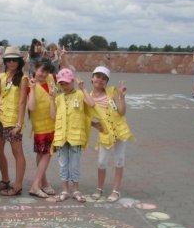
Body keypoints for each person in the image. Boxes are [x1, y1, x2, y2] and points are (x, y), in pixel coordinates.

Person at [49, 68, 95, 202]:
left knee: (74, 165)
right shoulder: (58, 98)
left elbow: (92, 104)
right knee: (63, 164)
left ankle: (76, 190)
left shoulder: (80, 95)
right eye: (61, 84)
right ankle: (65, 190)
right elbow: (53, 116)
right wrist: (51, 99)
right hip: (61, 137)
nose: (64, 86)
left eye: (66, 83)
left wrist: (83, 89)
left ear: (73, 81)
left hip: (75, 136)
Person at [89, 66, 134, 203]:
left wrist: (121, 96)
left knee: (119, 160)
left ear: (107, 82)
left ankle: (115, 190)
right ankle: (99, 188)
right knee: (102, 162)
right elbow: (84, 115)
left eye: (104, 78)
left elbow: (121, 112)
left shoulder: (112, 92)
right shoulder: (88, 97)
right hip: (105, 133)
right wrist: (94, 125)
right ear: (92, 78)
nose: (100, 80)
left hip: (120, 130)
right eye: (98, 76)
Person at [0, 46, 28, 196]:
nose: (12, 63)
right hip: (0, 118)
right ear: (5, 61)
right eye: (9, 60)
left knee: (17, 152)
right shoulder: (2, 76)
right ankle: (5, 179)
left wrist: (19, 123)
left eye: (15, 60)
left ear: (19, 62)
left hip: (13, 120)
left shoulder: (23, 79)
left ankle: (17, 185)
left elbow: (22, 102)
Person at [27, 59, 57, 198]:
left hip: (52, 123)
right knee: (46, 154)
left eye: (46, 71)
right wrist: (32, 88)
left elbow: (69, 75)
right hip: (40, 126)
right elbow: (31, 107)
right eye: (41, 70)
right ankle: (36, 185)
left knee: (42, 154)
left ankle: (44, 183)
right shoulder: (30, 83)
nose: (43, 74)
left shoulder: (52, 79)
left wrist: (64, 59)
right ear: (35, 68)